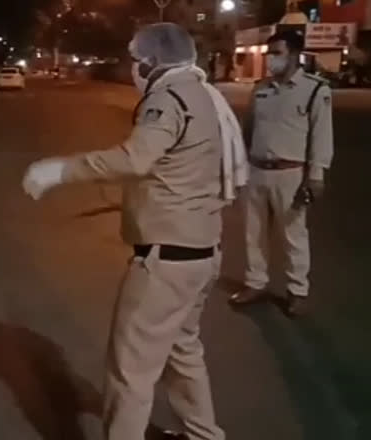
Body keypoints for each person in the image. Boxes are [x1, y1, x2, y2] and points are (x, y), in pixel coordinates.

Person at [23, 23, 234, 440]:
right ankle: (202, 434)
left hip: (166, 260)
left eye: (136, 61)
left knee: (130, 370)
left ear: (153, 63)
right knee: (183, 350)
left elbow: (137, 159)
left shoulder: (167, 98)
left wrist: (61, 170)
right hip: (201, 251)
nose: (132, 69)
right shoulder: (205, 95)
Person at [230, 30, 334, 317]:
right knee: (254, 233)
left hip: (291, 174)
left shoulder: (315, 90)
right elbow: (247, 131)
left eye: (277, 53)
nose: (271, 59)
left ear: (295, 54)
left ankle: (297, 289)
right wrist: (240, 168)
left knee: (293, 235)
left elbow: (321, 136)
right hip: (256, 171)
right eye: (269, 53)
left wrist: (316, 176)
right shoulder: (261, 88)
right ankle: (255, 283)